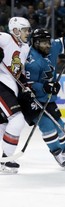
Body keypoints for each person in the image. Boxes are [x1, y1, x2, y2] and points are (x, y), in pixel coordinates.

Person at [23, 28, 65, 168]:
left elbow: (62, 42)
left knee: (60, 125)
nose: (47, 45)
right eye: (43, 43)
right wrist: (45, 87)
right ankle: (57, 153)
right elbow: (27, 84)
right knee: (47, 126)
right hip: (32, 100)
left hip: (48, 98)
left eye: (48, 42)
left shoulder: (51, 47)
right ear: (35, 43)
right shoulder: (31, 61)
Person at [0, 17, 32, 174]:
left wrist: (26, 87)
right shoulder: (5, 39)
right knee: (17, 119)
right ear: (15, 30)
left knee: (3, 124)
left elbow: (19, 73)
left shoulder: (25, 48)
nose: (28, 33)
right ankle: (5, 160)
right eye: (25, 29)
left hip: (10, 87)